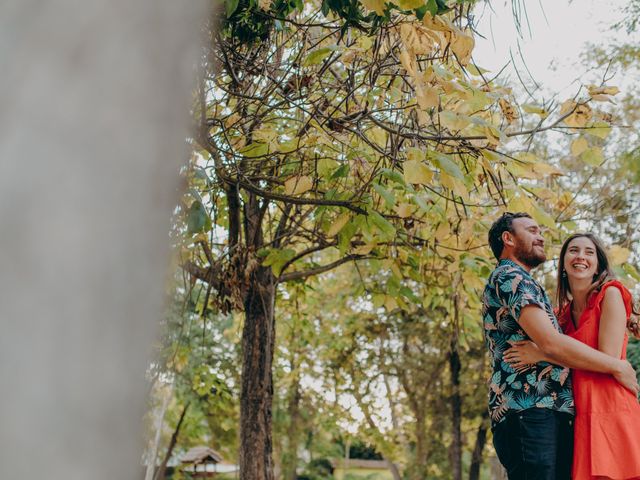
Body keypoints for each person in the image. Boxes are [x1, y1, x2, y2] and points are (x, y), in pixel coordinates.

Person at [483, 212, 639, 480]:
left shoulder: (585, 299)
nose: (540, 236)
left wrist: (544, 351)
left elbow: (559, 344)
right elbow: (553, 342)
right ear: (508, 239)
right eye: (531, 230)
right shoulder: (512, 277)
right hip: (530, 410)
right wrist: (617, 366)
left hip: (586, 411)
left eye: (590, 252)